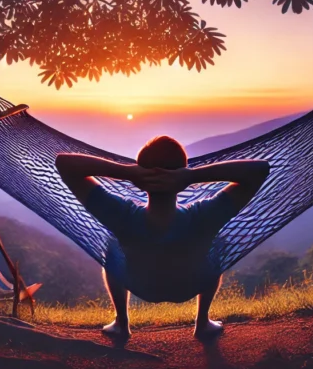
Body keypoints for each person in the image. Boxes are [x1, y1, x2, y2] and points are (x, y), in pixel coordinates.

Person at [55, 136, 270, 340]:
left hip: (142, 285)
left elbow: (64, 164)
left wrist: (129, 173)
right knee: (215, 244)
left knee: (112, 244)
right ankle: (202, 322)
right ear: (181, 175)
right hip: (190, 285)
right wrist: (191, 176)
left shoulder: (121, 215)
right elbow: (260, 170)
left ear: (141, 177)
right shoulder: (205, 216)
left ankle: (121, 323)